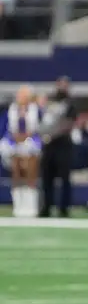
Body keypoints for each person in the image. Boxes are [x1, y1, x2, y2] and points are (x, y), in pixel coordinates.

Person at [38, 76, 76, 217]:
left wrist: (51, 134)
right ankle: (46, 207)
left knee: (64, 178)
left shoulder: (70, 104)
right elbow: (42, 121)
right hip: (48, 145)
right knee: (47, 177)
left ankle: (64, 208)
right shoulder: (49, 104)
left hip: (63, 145)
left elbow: (68, 124)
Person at [1, 86, 41, 217]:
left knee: (31, 173)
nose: (22, 98)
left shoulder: (35, 110)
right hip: (14, 141)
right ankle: (18, 206)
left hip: (31, 141)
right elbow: (8, 128)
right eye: (20, 96)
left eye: (25, 96)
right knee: (16, 173)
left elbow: (38, 128)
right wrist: (17, 139)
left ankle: (31, 206)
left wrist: (27, 137)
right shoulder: (12, 110)